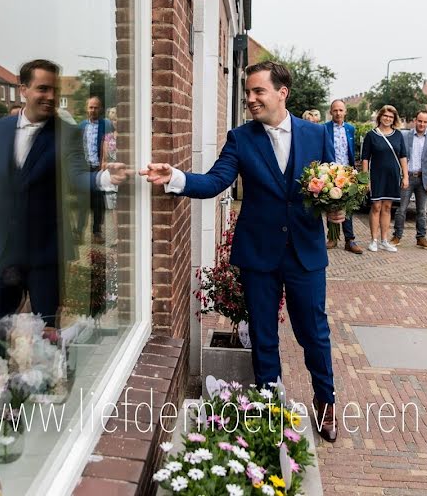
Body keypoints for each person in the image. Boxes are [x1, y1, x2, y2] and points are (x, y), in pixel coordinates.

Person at [140, 60, 342, 442]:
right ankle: (270, 408)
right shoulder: (240, 138)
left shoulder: (317, 135)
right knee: (263, 335)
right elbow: (216, 180)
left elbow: (334, 182)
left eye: (257, 91)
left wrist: (337, 207)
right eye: (247, 92)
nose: (250, 99)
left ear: (282, 92)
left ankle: (325, 402)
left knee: (314, 333)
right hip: (258, 254)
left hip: (305, 252)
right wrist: (176, 178)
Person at [0, 59, 124, 351]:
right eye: (42, 88)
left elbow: (76, 176)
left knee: (46, 336)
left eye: (55, 90)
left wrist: (105, 177)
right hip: (1, 250)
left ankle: (41, 391)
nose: (50, 96)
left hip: (44, 253)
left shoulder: (65, 133)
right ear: (23, 90)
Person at [361, 105, 408, 252]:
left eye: (391, 117)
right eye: (385, 116)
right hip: (376, 176)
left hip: (392, 176)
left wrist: (405, 176)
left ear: (394, 119)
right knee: (376, 207)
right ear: (380, 116)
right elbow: (365, 159)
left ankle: (384, 240)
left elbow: (403, 156)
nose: (388, 119)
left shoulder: (398, 135)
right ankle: (373, 240)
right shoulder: (371, 135)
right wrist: (365, 178)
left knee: (387, 208)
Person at [390, 110, 427, 250]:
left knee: (422, 211)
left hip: (423, 179)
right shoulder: (404, 136)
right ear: (415, 120)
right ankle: (397, 236)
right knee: (401, 209)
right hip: (407, 177)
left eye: (425, 122)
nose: (422, 124)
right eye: (420, 121)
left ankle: (421, 237)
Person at [323, 99, 363, 254]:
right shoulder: (324, 129)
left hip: (347, 172)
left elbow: (352, 151)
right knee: (331, 202)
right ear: (331, 112)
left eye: (341, 110)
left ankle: (349, 239)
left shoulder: (350, 129)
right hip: (330, 172)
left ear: (345, 112)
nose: (338, 113)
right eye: (335, 110)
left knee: (348, 205)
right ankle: (332, 237)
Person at [79, 96, 114, 243]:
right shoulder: (81, 126)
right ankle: (78, 232)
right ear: (87, 108)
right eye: (90, 107)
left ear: (100, 109)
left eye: (96, 107)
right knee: (83, 200)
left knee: (98, 202)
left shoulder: (106, 124)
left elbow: (112, 144)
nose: (93, 110)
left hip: (99, 169)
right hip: (84, 168)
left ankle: (97, 232)